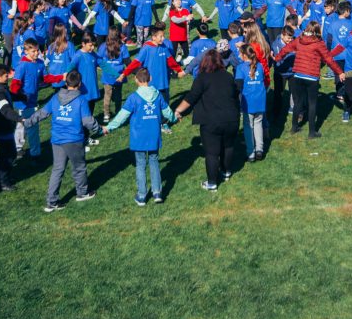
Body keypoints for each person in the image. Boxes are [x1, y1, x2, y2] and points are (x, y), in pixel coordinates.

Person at [105, 68, 177, 205]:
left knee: (140, 164)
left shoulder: (133, 98)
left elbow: (122, 115)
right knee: (154, 161)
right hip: (154, 135)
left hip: (139, 136)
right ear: (150, 79)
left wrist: (109, 127)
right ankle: (157, 193)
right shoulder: (158, 95)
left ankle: (142, 195)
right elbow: (167, 112)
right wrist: (174, 118)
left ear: (136, 80)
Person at [173, 48, 241, 190]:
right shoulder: (228, 76)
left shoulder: (202, 78)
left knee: (211, 152)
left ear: (204, 63)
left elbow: (191, 97)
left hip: (211, 121)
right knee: (228, 146)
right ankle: (226, 172)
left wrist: (178, 110)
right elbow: (236, 94)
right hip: (231, 119)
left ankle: (212, 183)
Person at [35, 70, 103, 212]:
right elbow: (88, 121)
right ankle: (82, 193)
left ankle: (51, 202)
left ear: (66, 82)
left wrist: (27, 122)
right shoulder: (81, 100)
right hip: (74, 140)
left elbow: (42, 113)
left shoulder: (55, 97)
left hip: (57, 140)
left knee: (57, 169)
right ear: (79, 84)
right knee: (79, 167)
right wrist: (100, 130)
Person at [273, 21, 345, 138]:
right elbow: (328, 59)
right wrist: (340, 72)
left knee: (298, 102)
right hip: (311, 76)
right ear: (317, 31)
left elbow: (286, 49)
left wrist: (277, 58)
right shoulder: (319, 43)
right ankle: (312, 132)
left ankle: (294, 127)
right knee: (312, 103)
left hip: (298, 76)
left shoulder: (299, 39)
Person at [0, 63, 30, 191]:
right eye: (6, 75)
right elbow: (5, 110)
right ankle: (2, 182)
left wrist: (21, 96)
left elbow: (9, 96)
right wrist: (20, 118)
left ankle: (0, 180)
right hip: (1, 126)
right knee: (9, 154)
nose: (9, 77)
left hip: (0, 125)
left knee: (5, 153)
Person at [234, 43, 270, 162]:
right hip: (260, 100)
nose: (239, 55)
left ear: (244, 55)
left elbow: (238, 86)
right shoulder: (259, 66)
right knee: (258, 124)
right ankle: (260, 149)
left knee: (248, 127)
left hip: (248, 102)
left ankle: (251, 153)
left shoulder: (240, 68)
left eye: (240, 53)